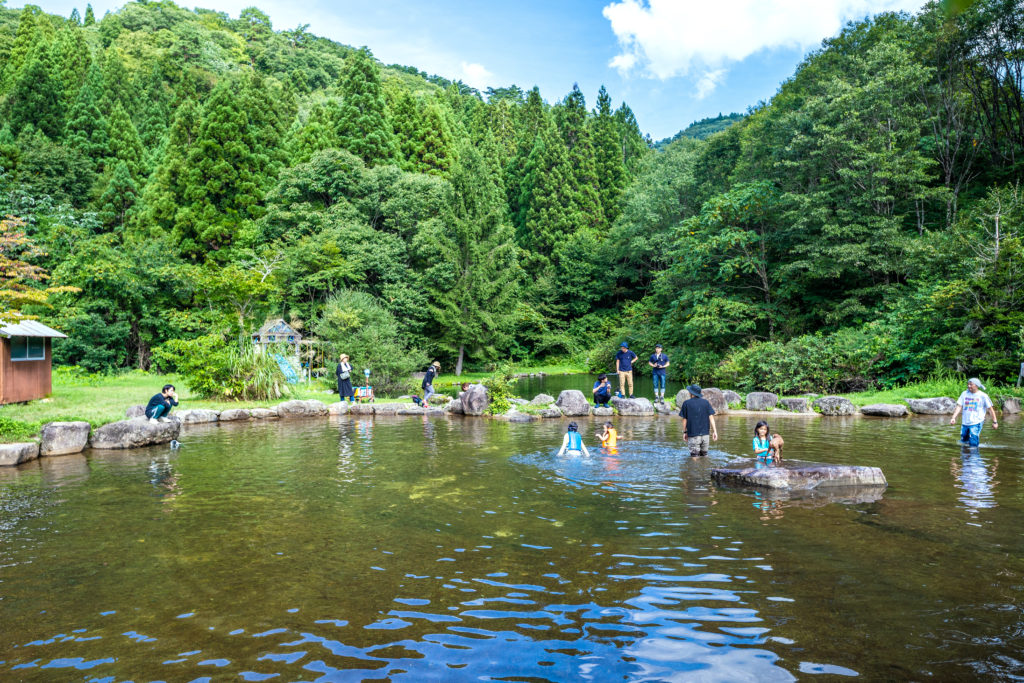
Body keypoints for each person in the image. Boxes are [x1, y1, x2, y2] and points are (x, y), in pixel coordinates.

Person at [950, 377, 998, 447]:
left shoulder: (983, 396)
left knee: (973, 443)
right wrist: (953, 418)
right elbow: (959, 406)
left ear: (977, 386)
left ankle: (974, 456)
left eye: (971, 384)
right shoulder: (964, 394)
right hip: (965, 422)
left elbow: (990, 409)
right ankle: (965, 456)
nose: (969, 386)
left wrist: (995, 422)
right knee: (964, 442)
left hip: (976, 422)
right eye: (968, 384)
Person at [679, 383, 717, 457]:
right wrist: (715, 431)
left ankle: (696, 469)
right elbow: (711, 417)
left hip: (693, 435)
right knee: (704, 456)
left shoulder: (686, 403)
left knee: (694, 457)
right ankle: (704, 469)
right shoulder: (706, 402)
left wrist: (684, 432)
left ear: (691, 393)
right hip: (705, 435)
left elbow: (684, 420)